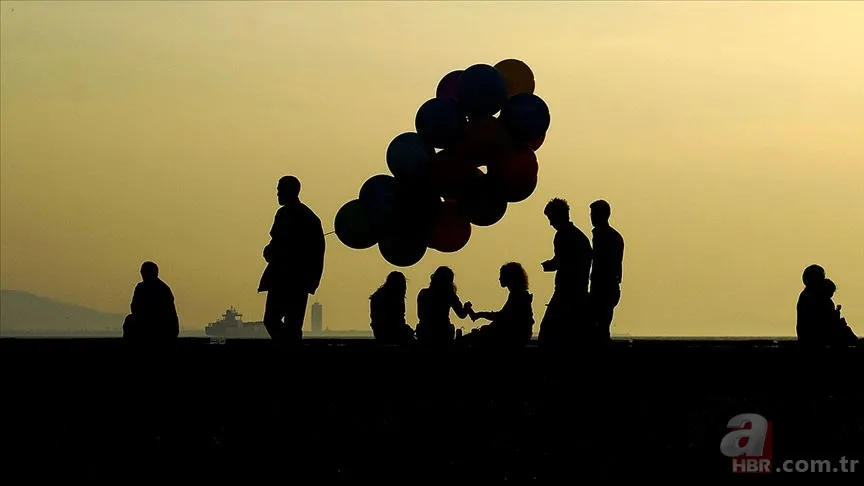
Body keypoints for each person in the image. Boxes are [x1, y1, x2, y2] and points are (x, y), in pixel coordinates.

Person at [258, 176, 325, 343]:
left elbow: (313, 252)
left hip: (290, 280)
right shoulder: (307, 217)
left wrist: (271, 252)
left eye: (280, 190)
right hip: (296, 281)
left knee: (277, 321)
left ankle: (288, 348)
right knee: (290, 325)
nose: (277, 193)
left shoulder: (292, 216)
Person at [538, 198, 593, 348]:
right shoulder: (580, 237)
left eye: (551, 218)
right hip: (579, 292)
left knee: (547, 334)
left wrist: (550, 265)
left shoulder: (563, 236)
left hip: (566, 293)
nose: (550, 223)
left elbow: (563, 261)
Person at [462, 262, 535, 347]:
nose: (499, 279)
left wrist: (480, 315)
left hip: (515, 336)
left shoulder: (518, 295)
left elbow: (503, 317)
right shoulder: (518, 294)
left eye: (502, 275)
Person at [588, 200, 625, 341]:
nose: (591, 218)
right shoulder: (612, 236)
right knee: (601, 327)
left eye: (593, 214)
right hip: (608, 287)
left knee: (599, 328)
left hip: (604, 288)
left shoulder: (604, 237)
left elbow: (604, 264)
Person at [123, 261, 179, 343]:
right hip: (146, 322)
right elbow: (134, 307)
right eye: (142, 272)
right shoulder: (140, 288)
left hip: (164, 327)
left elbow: (164, 313)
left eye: (145, 272)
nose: (143, 275)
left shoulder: (163, 289)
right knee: (130, 320)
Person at [415, 266, 469, 346]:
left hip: (424, 334)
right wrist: (467, 307)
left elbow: (420, 315)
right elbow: (461, 314)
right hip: (443, 334)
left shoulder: (423, 293)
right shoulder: (449, 294)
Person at [369, 271, 415, 345]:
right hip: (390, 333)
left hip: (380, 333)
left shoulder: (378, 296)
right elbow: (396, 320)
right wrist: (407, 330)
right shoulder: (395, 297)